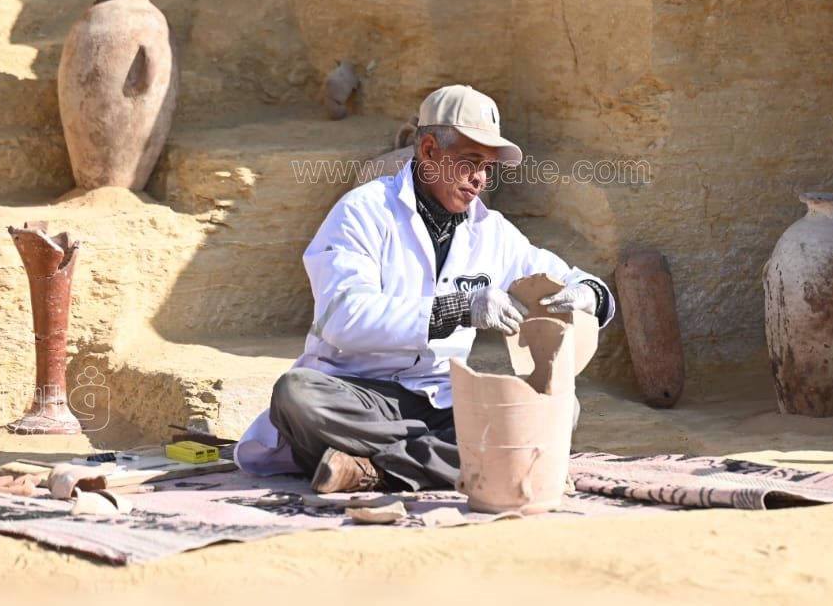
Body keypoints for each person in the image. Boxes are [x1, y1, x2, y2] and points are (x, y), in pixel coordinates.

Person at [233, 84, 615, 492]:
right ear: (430, 150)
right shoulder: (363, 211)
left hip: (442, 400)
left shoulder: (493, 232)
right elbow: (343, 317)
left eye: (488, 168)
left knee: (556, 408)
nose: (480, 179)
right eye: (471, 162)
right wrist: (458, 309)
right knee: (297, 394)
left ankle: (375, 469)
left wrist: (589, 294)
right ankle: (463, 461)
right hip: (359, 395)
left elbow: (573, 280)